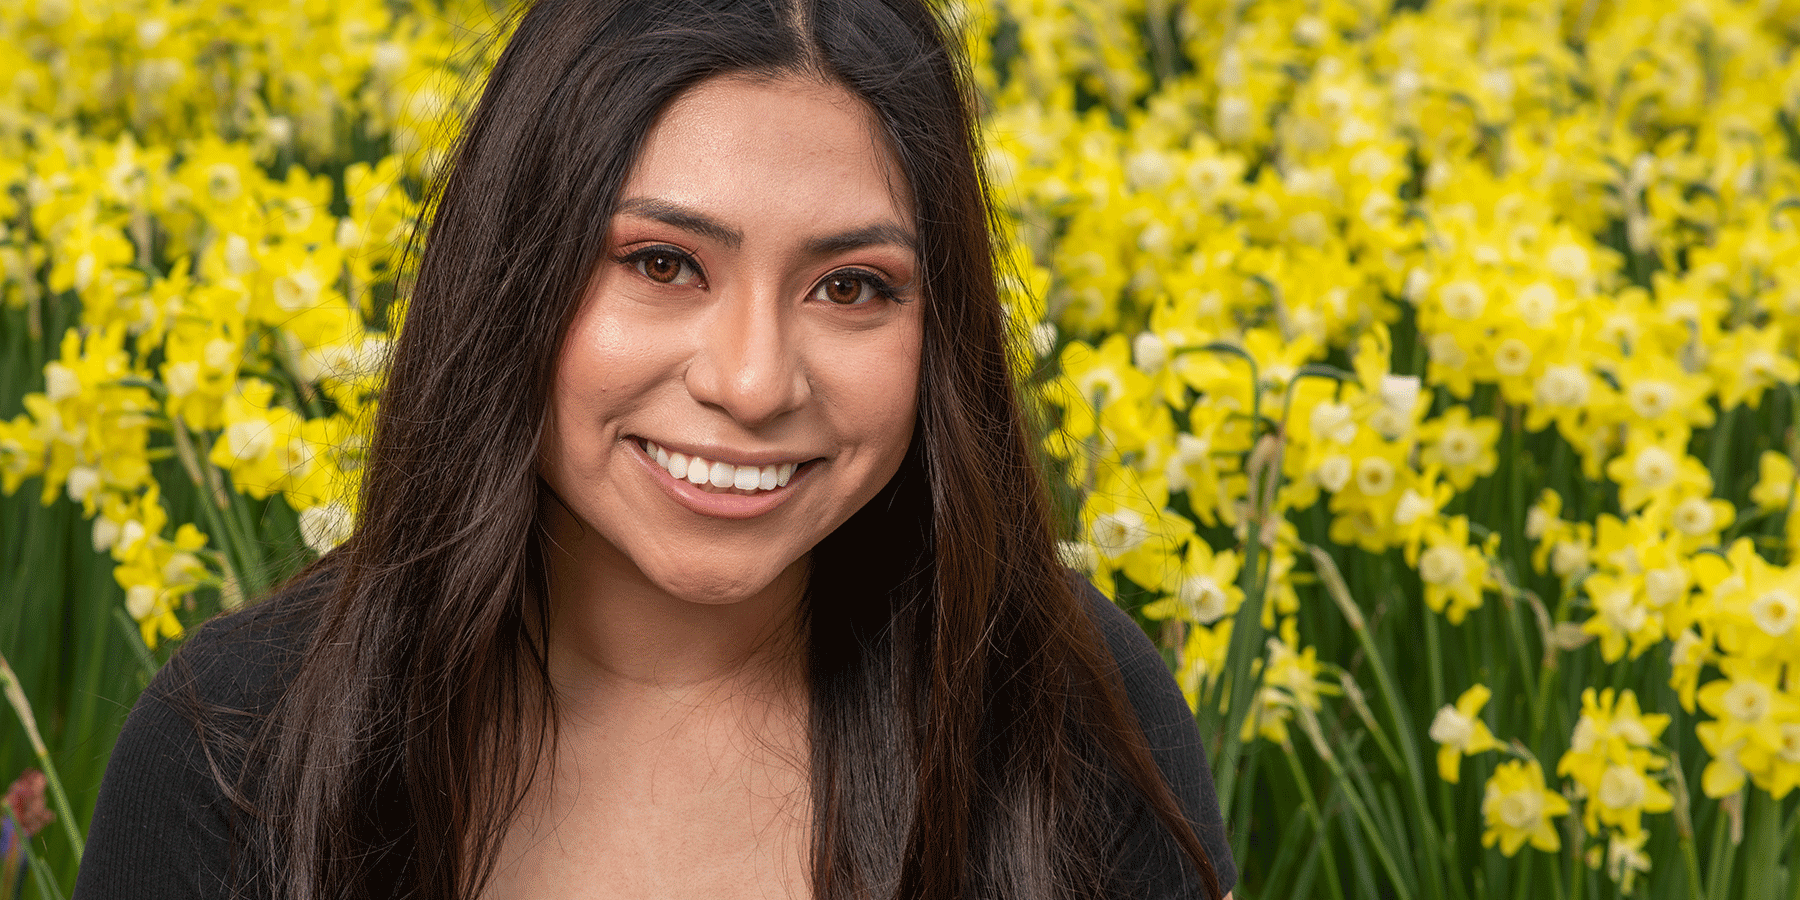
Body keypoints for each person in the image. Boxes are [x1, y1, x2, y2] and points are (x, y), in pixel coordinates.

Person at [74, 0, 1238, 897]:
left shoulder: (1070, 712)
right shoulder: (235, 747)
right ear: (512, 272)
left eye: (852, 286)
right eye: (661, 263)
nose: (749, 382)